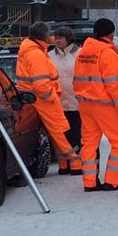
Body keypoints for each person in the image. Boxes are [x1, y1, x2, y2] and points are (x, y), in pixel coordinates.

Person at [74, 18, 118, 192]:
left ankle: (90, 182)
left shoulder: (83, 52)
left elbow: (76, 80)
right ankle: (113, 181)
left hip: (85, 104)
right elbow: (113, 84)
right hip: (105, 105)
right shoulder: (108, 53)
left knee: (89, 144)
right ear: (110, 33)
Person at [16, 21, 80, 176]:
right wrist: (52, 96)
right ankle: (75, 162)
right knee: (60, 131)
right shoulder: (36, 54)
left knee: (56, 133)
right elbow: (41, 84)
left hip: (35, 97)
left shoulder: (31, 51)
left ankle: (64, 164)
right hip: (42, 99)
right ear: (43, 36)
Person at [47, 25, 81, 174]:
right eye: (56, 37)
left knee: (75, 133)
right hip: (57, 102)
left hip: (76, 101)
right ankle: (63, 165)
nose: (57, 40)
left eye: (61, 38)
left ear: (69, 39)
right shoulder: (49, 56)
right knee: (60, 135)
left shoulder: (80, 54)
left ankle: (75, 163)